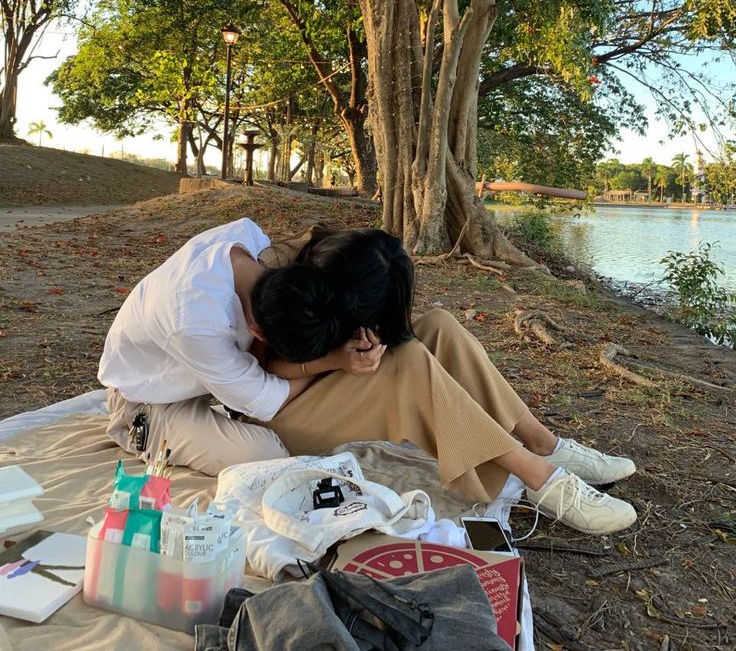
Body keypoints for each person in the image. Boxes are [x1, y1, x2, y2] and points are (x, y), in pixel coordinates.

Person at [100, 217, 637, 536]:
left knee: (438, 328)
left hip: (241, 381)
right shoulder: (201, 323)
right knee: (262, 456)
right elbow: (264, 392)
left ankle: (544, 443)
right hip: (155, 405)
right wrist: (337, 361)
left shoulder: (261, 252)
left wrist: (352, 347)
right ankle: (536, 478)